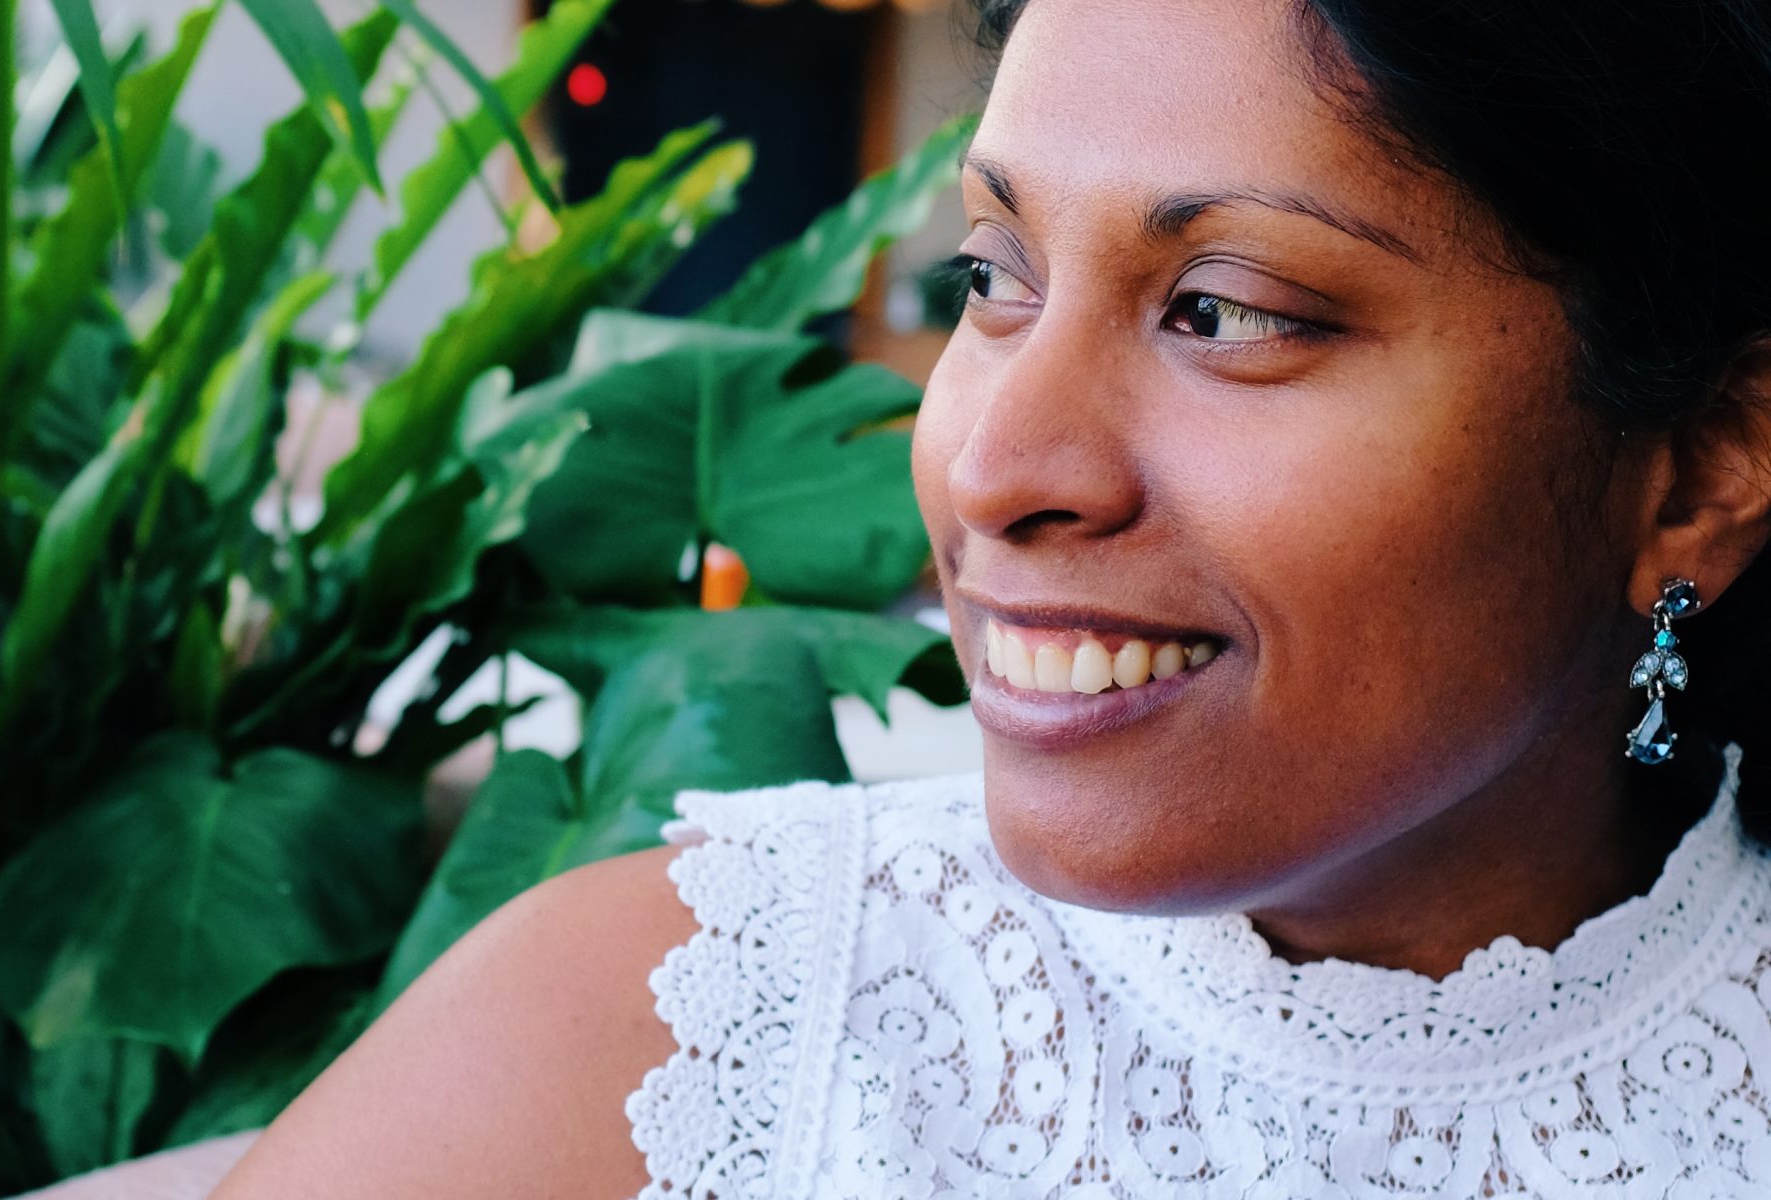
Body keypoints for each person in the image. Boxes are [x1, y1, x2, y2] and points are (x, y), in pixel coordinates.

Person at [211, 0, 1771, 1195]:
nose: (990, 466)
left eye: (1223, 311)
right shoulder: (680, 1033)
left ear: (1701, 469)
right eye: (992, 279)